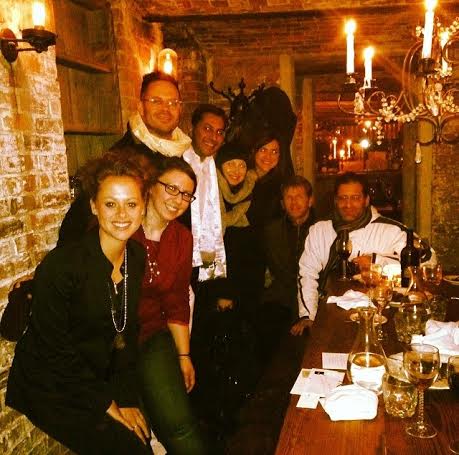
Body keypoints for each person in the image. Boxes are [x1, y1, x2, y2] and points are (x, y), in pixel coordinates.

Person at [6, 153, 152, 454]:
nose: (121, 214)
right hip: (51, 383)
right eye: (110, 204)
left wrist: (125, 396)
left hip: (93, 371)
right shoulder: (63, 265)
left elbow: (126, 331)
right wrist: (107, 403)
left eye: (131, 204)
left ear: (144, 207)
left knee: (140, 438)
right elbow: (54, 350)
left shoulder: (136, 257)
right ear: (94, 207)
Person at [59, 71, 190, 245]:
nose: (165, 108)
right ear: (141, 107)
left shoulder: (180, 152)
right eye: (156, 101)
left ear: (180, 109)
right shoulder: (123, 157)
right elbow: (81, 220)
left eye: (173, 103)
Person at [133, 158, 207, 454]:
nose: (178, 200)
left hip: (152, 334)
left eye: (187, 195)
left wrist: (184, 355)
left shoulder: (181, 238)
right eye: (172, 188)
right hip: (110, 341)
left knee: (178, 422)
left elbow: (177, 301)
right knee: (133, 433)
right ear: (151, 185)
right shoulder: (124, 225)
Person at [298, 171, 435, 323]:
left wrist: (377, 261)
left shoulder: (389, 230)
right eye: (343, 198)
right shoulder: (319, 230)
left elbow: (428, 261)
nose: (348, 205)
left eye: (355, 198)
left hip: (379, 315)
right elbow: (307, 274)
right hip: (329, 311)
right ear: (335, 201)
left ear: (366, 200)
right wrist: (308, 316)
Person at [263, 175, 316, 337]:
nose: (294, 202)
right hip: (280, 299)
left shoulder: (323, 228)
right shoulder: (271, 231)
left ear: (310, 201)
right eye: (289, 197)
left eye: (299, 196)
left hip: (314, 299)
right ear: (282, 203)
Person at [183, 104, 227, 285]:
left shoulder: (215, 166)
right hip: (181, 253)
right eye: (207, 129)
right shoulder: (177, 164)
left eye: (219, 132)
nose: (213, 137)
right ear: (192, 128)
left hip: (205, 258)